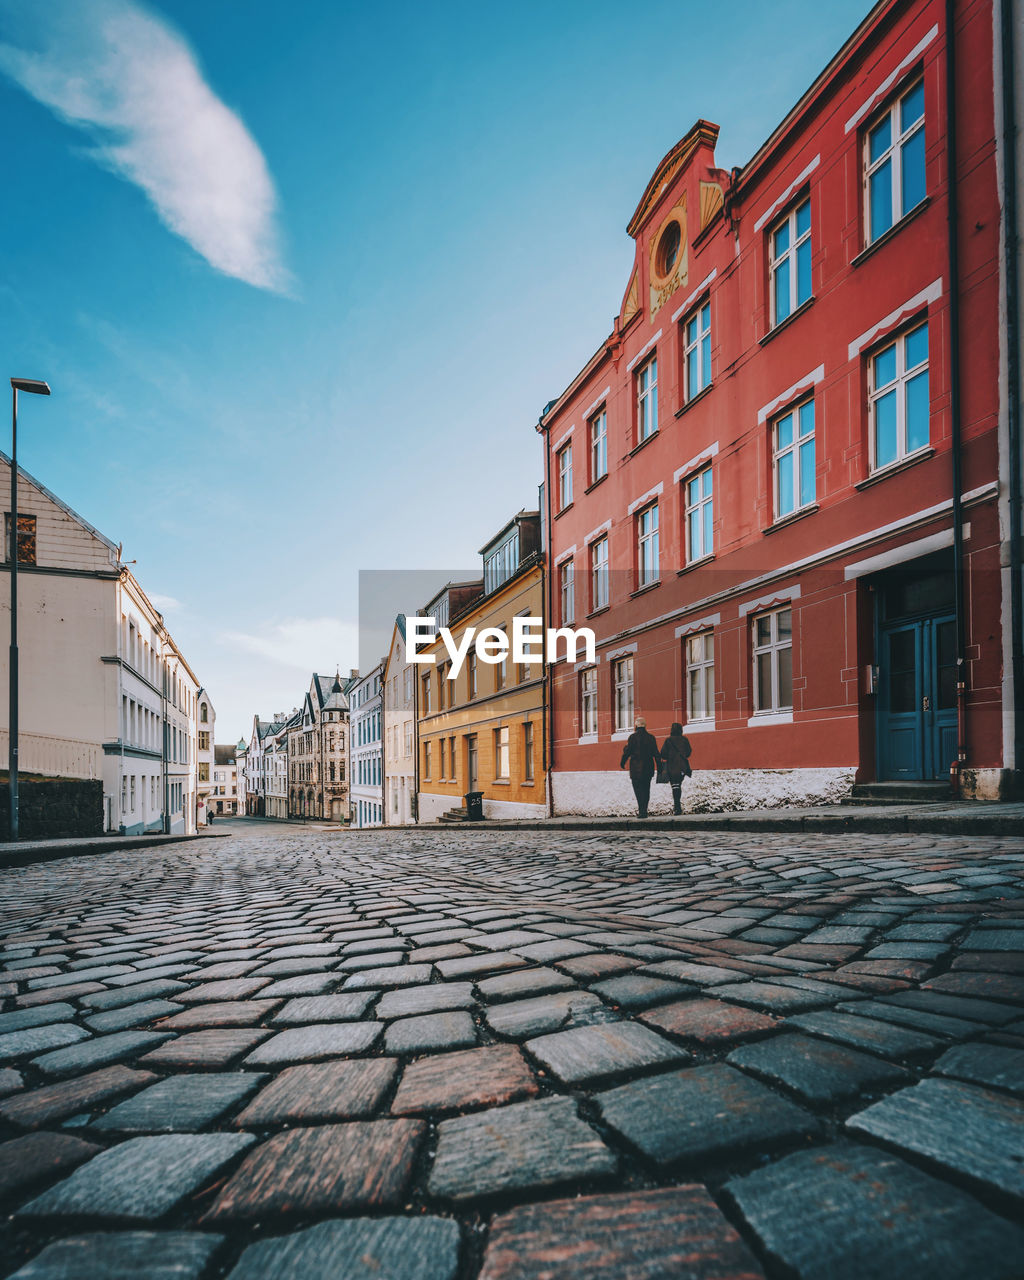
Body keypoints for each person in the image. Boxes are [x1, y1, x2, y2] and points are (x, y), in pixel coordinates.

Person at [619, 716, 661, 818]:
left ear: (636, 725)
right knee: (646, 789)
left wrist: (622, 762)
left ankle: (641, 810)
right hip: (648, 767)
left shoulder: (632, 737)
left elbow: (627, 752)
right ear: (645, 726)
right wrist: (659, 766)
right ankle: (644, 810)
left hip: (635, 768)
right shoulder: (651, 737)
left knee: (638, 790)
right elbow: (656, 753)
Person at [660, 722, 693, 815]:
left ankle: (677, 807)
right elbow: (689, 752)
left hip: (672, 766)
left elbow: (663, 754)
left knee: (675, 786)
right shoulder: (684, 739)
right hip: (682, 767)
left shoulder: (668, 740)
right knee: (678, 785)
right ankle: (678, 807)